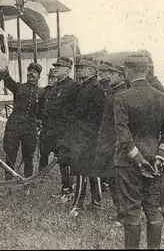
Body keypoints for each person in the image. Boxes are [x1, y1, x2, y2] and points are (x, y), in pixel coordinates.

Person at [114, 54, 164, 249]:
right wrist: (161, 158)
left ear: (127, 71)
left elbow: (123, 135)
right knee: (153, 208)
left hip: (128, 162)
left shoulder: (121, 98)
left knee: (132, 210)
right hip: (155, 160)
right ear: (147, 70)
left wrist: (138, 159)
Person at [58, 60, 106, 216]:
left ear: (92, 71)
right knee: (90, 170)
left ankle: (78, 205)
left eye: (83, 68)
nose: (79, 71)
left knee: (81, 170)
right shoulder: (83, 87)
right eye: (78, 68)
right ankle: (96, 202)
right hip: (82, 134)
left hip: (87, 135)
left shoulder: (95, 88)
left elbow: (98, 116)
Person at [1, 63, 45, 195]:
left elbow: (41, 111)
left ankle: (27, 185)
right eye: (29, 71)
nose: (31, 73)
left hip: (30, 129)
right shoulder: (18, 87)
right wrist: (3, 68)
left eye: (34, 72)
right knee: (10, 157)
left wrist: (39, 123)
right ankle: (7, 186)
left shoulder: (41, 92)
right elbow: (7, 79)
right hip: (14, 127)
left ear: (38, 75)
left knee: (28, 158)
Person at [42, 57, 80, 202]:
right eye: (55, 65)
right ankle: (65, 189)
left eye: (60, 66)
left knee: (67, 161)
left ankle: (69, 191)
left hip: (67, 131)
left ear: (68, 70)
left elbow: (76, 110)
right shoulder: (56, 86)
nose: (55, 68)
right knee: (61, 161)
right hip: (55, 132)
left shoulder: (74, 86)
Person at [95, 61, 127, 226]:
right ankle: (121, 213)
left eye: (112, 73)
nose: (109, 76)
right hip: (110, 143)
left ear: (120, 76)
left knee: (117, 182)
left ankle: (123, 215)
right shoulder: (113, 92)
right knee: (114, 180)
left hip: (115, 144)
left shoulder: (120, 94)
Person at [38, 68, 57, 171]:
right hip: (46, 127)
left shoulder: (62, 91)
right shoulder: (44, 91)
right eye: (50, 77)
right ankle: (41, 174)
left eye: (53, 78)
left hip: (57, 127)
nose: (51, 80)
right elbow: (39, 107)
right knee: (44, 152)